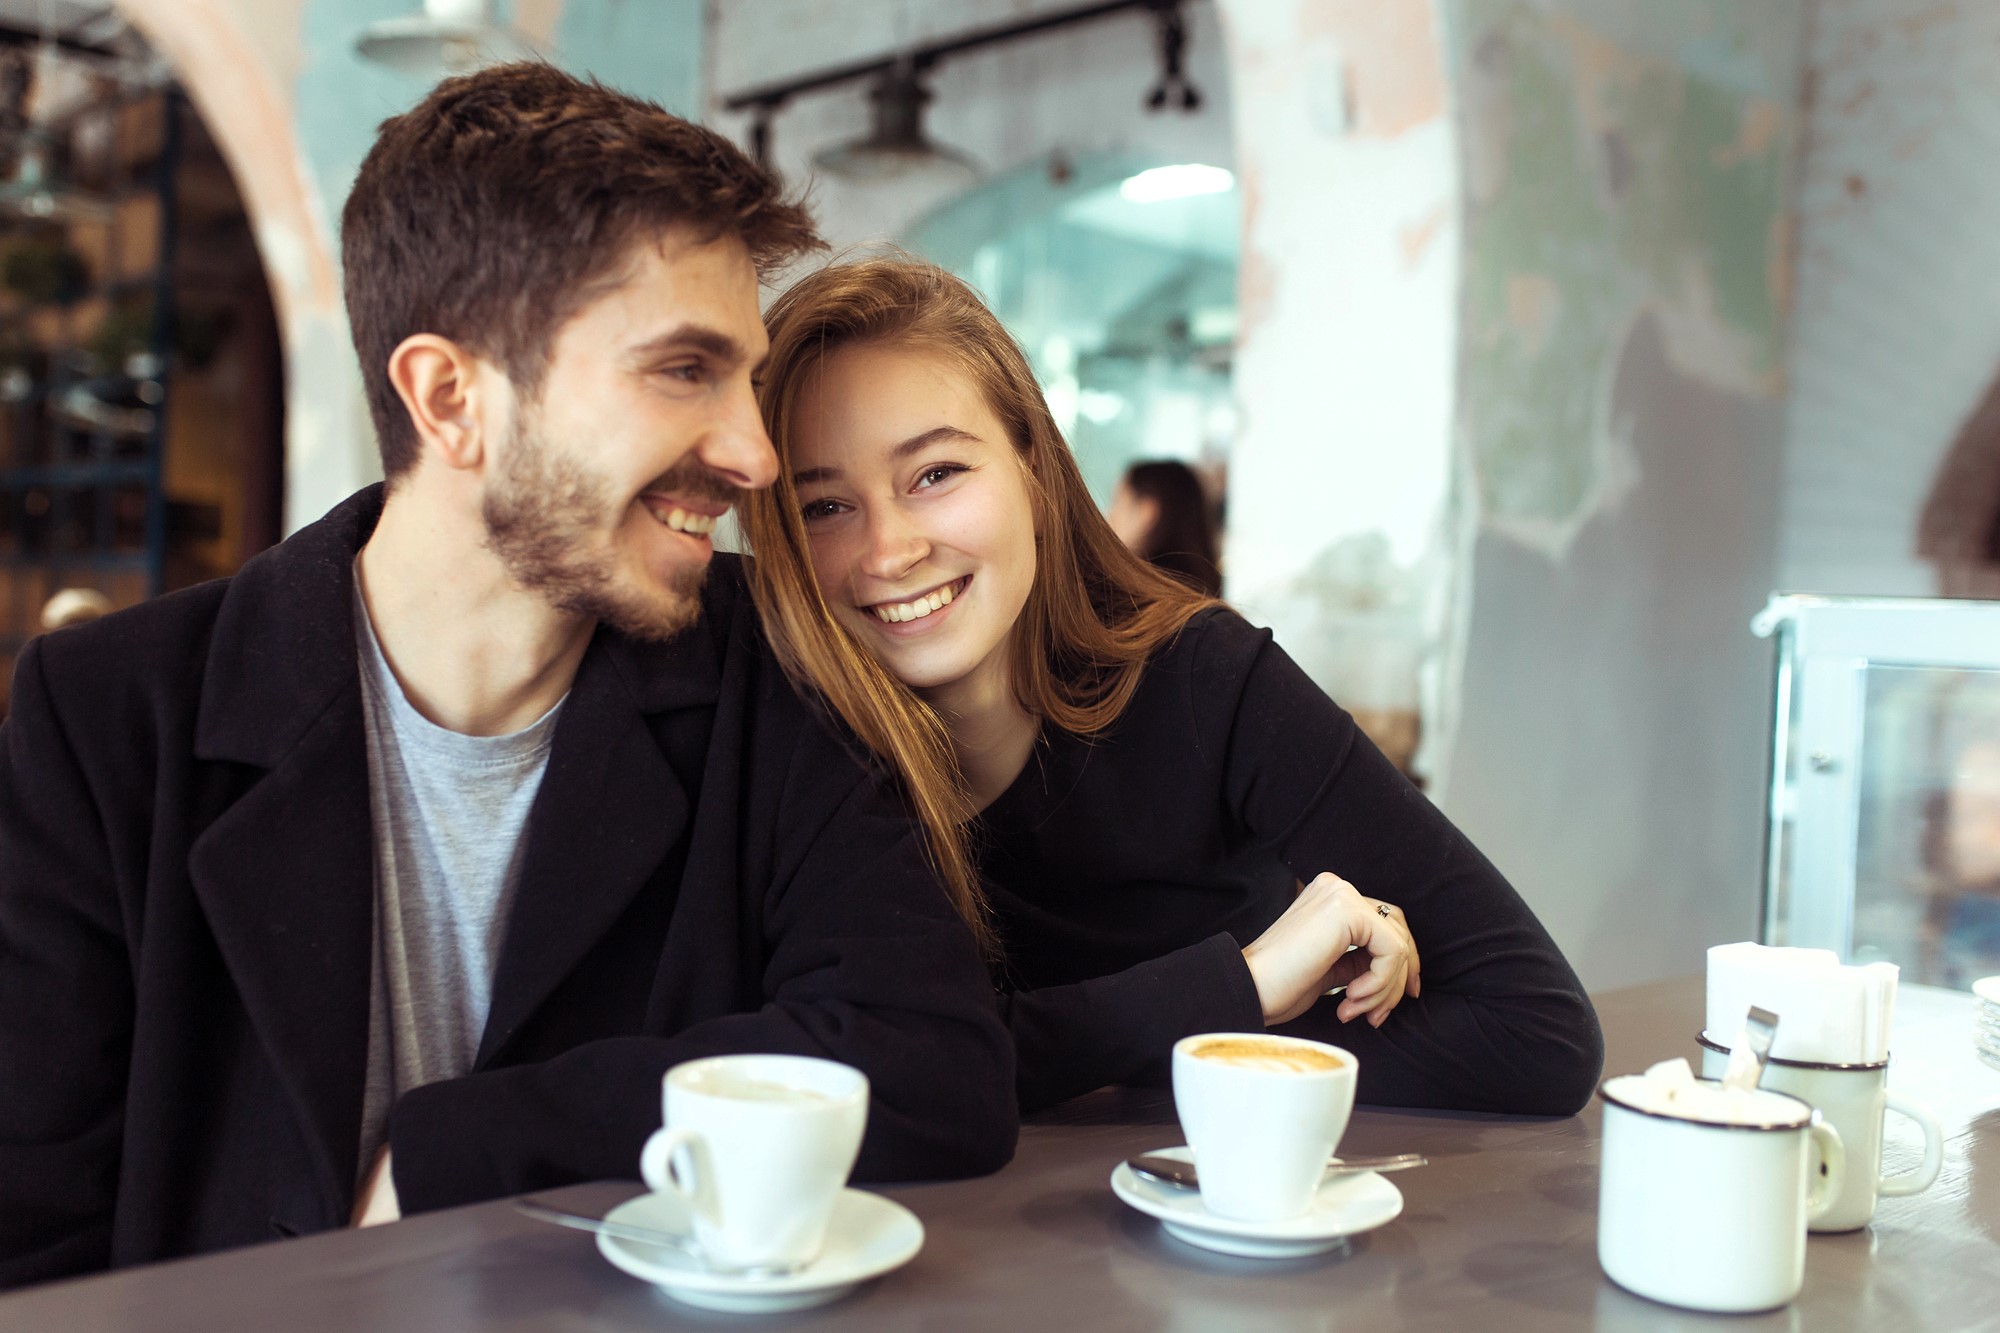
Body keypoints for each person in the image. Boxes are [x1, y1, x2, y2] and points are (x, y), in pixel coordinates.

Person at [0, 69, 1015, 1289]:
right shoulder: (110, 717)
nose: (753, 453)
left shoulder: (778, 677)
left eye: (742, 376)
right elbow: (32, 1239)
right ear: (449, 398)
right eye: (683, 369)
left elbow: (936, 1065)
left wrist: (461, 1147)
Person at [739, 257, 1603, 1115]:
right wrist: (1244, 990)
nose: (890, 551)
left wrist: (1102, 1045)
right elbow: (828, 1074)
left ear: (1034, 467)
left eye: (936, 474)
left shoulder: (1205, 682)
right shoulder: (788, 748)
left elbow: (1539, 1033)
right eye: (824, 507)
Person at [1106, 459, 1222, 596]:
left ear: (1146, 512)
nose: (1108, 516)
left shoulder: (1133, 597)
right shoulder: (1204, 599)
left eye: (1117, 502)